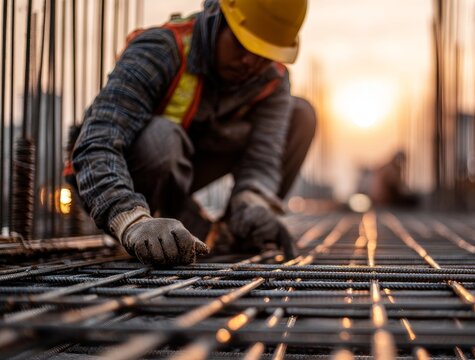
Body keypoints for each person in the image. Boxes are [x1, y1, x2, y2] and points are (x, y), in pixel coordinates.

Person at [70, 0, 315, 265]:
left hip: (186, 169)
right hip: (124, 176)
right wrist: (130, 219)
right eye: (242, 45)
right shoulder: (161, 50)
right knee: (163, 138)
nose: (250, 61)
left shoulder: (271, 78)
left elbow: (263, 157)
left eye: (264, 54)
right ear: (217, 17)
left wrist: (254, 202)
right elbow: (97, 144)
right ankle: (153, 222)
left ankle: (229, 234)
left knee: (300, 116)